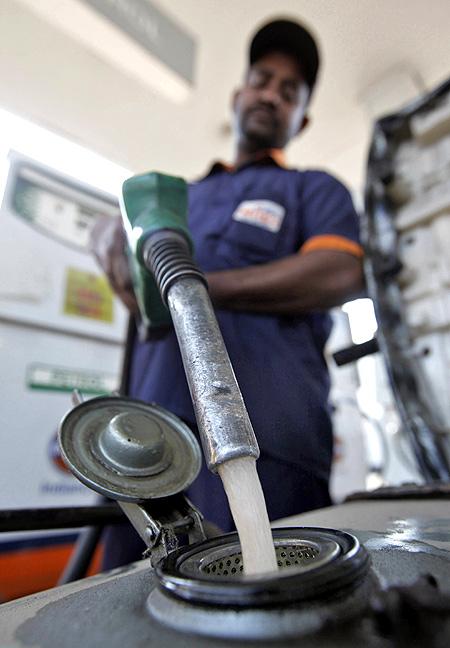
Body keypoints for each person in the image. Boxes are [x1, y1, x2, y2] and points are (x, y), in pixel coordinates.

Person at [91, 17, 364, 569]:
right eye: (262, 80)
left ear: (302, 118)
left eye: (288, 92)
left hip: (269, 446)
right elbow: (139, 300)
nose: (271, 95)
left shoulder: (311, 189)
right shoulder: (179, 198)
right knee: (124, 601)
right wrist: (115, 246)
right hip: (146, 443)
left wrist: (189, 286)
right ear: (239, 94)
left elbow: (337, 272)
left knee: (273, 593)